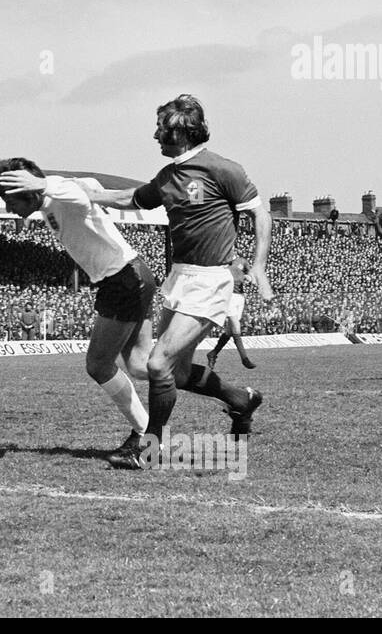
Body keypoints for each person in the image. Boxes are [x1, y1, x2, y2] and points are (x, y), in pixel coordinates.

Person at [78, 95, 270, 450]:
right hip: (179, 278)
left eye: (161, 129)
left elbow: (261, 214)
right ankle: (241, 399)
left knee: (158, 363)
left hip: (211, 280)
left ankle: (148, 448)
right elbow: (133, 199)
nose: (155, 136)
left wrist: (258, 266)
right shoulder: (167, 177)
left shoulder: (222, 168)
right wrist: (93, 195)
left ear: (183, 131)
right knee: (176, 373)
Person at [0, 158, 158, 468]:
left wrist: (43, 185)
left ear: (27, 190)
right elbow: (90, 186)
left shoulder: (57, 194)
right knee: (139, 365)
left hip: (124, 278)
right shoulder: (50, 197)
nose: (8, 208)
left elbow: (80, 195)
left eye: (9, 199)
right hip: (130, 277)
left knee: (98, 364)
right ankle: (230, 394)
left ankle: (146, 433)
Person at [206, 256, 257, 371]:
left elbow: (251, 275)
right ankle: (244, 358)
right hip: (229, 296)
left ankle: (213, 354)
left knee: (230, 330)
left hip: (240, 297)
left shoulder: (242, 261)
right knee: (236, 326)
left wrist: (250, 278)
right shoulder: (221, 263)